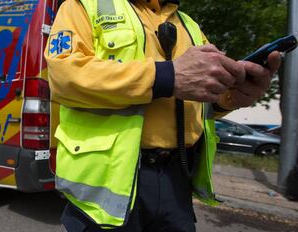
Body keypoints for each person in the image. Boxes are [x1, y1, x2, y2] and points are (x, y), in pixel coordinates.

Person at [45, 0, 281, 231]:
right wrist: (167, 76)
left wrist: (230, 97)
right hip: (107, 178)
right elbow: (64, 76)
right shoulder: (85, 5)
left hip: (176, 179)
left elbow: (199, 98)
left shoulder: (189, 24)